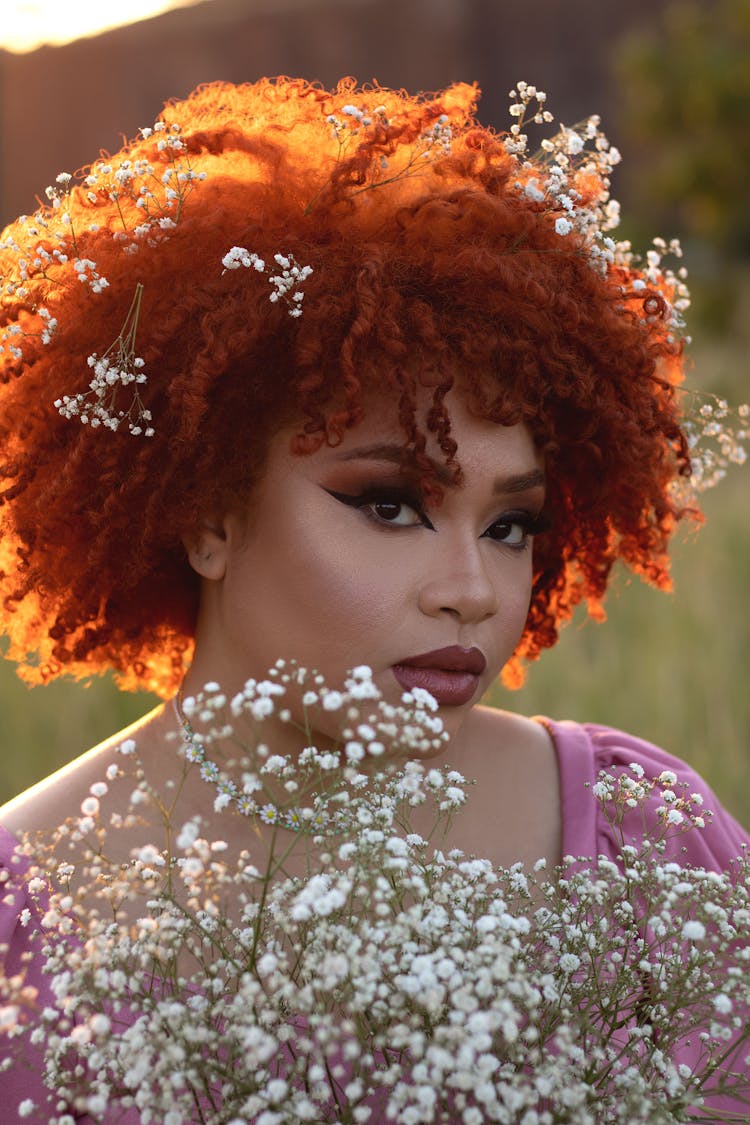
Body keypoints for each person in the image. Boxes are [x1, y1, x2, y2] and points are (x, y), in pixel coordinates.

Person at [0, 77, 747, 1121]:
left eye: (510, 525)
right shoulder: (20, 923)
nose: (472, 592)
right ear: (208, 513)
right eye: (390, 504)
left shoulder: (641, 842)